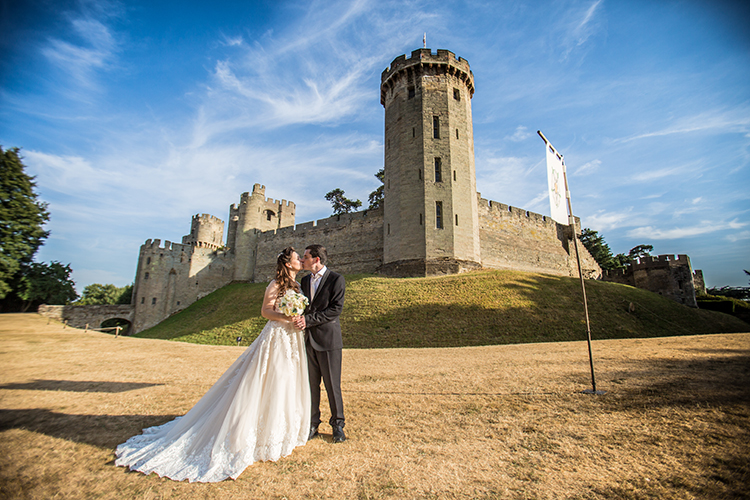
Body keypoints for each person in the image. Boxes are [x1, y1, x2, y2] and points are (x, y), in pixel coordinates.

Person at [115, 247, 311, 482]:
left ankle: (281, 432)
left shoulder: (298, 286)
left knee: (287, 380)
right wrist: (286, 317)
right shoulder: (275, 284)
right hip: (277, 336)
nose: (301, 260)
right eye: (297, 258)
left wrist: (298, 319)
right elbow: (265, 311)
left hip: (292, 338)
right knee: (269, 379)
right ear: (288, 264)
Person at [294, 244, 346, 443]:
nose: (302, 260)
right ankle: (313, 423)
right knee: (311, 386)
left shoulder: (336, 279)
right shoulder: (305, 280)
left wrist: (308, 320)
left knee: (333, 386)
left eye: (305, 257)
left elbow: (335, 310)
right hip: (308, 341)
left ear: (316, 259)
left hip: (329, 341)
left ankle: (338, 425)